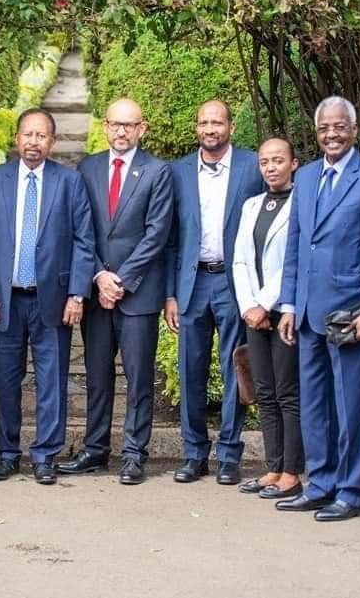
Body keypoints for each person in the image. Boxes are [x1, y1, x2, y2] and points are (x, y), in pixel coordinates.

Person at [276, 97, 360, 521]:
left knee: (351, 407)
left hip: (351, 315)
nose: (332, 134)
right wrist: (288, 304)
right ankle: (321, 483)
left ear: (354, 130)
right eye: (324, 128)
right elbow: (296, 244)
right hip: (308, 313)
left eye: (339, 126)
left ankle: (351, 492)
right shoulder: (306, 176)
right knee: (314, 405)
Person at [57, 99, 173, 485]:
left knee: (138, 379)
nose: (121, 131)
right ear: (105, 126)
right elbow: (80, 229)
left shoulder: (157, 171)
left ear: (142, 128)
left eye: (129, 125)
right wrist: (98, 276)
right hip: (97, 291)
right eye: (115, 124)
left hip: (137, 294)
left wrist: (119, 281)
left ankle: (134, 454)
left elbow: (157, 234)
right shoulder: (87, 168)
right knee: (97, 376)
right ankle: (95, 450)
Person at [0, 108, 95, 485]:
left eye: (41, 135)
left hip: (54, 298)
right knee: (5, 381)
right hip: (5, 300)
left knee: (52, 381)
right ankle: (6, 454)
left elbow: (83, 240)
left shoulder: (70, 181)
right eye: (27, 134)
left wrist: (77, 293)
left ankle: (45, 455)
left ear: (52, 141)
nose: (33, 142)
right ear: (16, 138)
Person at [164, 100, 264, 485]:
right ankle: (194, 453)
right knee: (190, 370)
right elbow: (171, 238)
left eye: (217, 122)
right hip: (192, 284)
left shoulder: (252, 167)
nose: (210, 129)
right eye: (204, 123)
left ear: (231, 127)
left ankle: (229, 454)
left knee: (234, 366)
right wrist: (170, 294)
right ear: (196, 128)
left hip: (234, 282)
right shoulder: (178, 172)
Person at [232, 137, 303, 499]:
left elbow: (294, 260)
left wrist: (263, 303)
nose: (271, 167)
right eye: (264, 162)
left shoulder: (303, 204)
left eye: (278, 160)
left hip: (284, 310)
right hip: (254, 315)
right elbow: (240, 259)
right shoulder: (251, 205)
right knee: (265, 391)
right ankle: (273, 467)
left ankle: (292, 473)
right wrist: (248, 306)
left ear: (293, 164)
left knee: (288, 392)